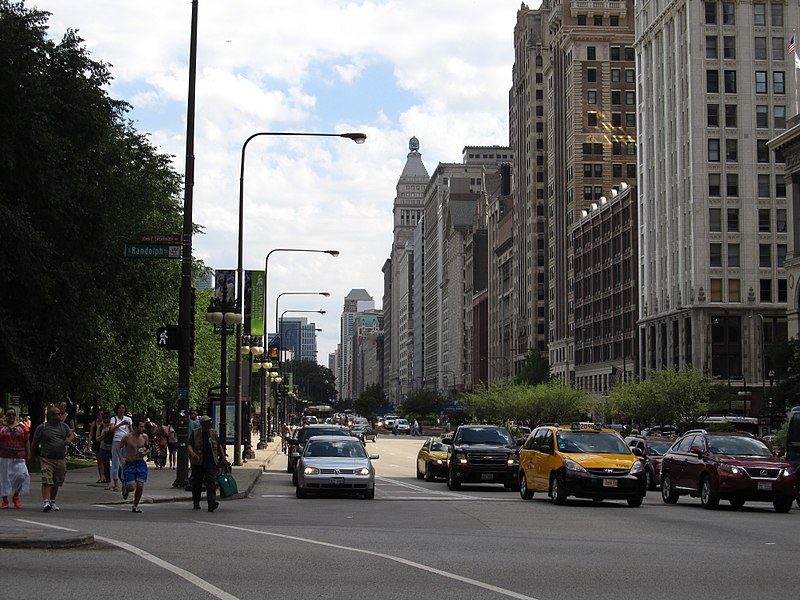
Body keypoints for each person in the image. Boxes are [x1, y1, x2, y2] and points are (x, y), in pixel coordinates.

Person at [30, 405, 74, 511]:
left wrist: (69, 439)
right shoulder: (42, 427)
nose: (61, 415)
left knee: (57, 481)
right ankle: (46, 502)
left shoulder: (63, 426)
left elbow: (71, 434)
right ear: (51, 416)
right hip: (46, 458)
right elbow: (35, 442)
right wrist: (31, 456)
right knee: (47, 479)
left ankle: (52, 501)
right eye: (58, 414)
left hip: (60, 458)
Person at [187, 415, 228, 512]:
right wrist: (193, 454)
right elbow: (189, 445)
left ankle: (211, 503)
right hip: (198, 462)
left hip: (210, 462)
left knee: (211, 482)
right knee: (197, 483)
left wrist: (223, 458)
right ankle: (196, 503)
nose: (209, 423)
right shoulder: (195, 433)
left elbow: (219, 445)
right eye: (207, 422)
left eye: (209, 421)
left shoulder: (213, 433)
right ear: (202, 423)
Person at [0, 408, 31, 508]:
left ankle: (16, 495)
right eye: (9, 414)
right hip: (4, 456)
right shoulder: (1, 427)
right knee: (4, 478)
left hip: (19, 456)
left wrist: (29, 453)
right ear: (5, 416)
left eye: (13, 414)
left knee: (22, 475)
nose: (11, 416)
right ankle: (5, 500)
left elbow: (26, 440)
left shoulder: (21, 427)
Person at [117, 418, 149, 513]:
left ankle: (135, 505)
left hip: (140, 463)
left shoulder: (144, 437)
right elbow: (118, 448)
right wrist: (121, 458)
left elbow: (148, 448)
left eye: (143, 426)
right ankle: (126, 487)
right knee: (132, 487)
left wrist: (145, 453)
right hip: (130, 463)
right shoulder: (127, 437)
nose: (143, 428)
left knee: (140, 485)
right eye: (141, 426)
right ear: (135, 427)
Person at [109, 403, 132, 492]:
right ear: (117, 409)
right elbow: (111, 429)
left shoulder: (128, 419)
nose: (121, 410)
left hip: (126, 442)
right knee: (116, 463)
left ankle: (124, 482)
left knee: (125, 463)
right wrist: (121, 424)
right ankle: (115, 484)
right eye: (120, 408)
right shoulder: (114, 419)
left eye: (123, 408)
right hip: (117, 441)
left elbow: (131, 430)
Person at [88, 408, 107, 484]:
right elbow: (91, 434)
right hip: (96, 443)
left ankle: (105, 476)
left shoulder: (105, 423)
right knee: (99, 460)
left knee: (104, 460)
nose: (100, 416)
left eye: (102, 414)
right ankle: (101, 476)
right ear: (96, 415)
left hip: (104, 443)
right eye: (99, 414)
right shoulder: (94, 423)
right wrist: (89, 442)